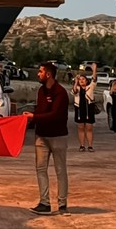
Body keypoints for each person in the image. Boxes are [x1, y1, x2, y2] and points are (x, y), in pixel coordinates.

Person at [22, 61, 69, 216]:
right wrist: (30, 116)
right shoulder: (41, 91)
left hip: (58, 137)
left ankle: (62, 204)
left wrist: (34, 117)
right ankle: (44, 202)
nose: (38, 74)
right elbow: (41, 110)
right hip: (41, 136)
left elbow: (55, 115)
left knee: (60, 170)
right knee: (40, 169)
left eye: (40, 71)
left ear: (48, 74)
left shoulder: (60, 93)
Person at [72, 63, 97, 152]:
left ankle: (90, 146)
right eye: (80, 80)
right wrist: (75, 81)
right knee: (81, 127)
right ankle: (82, 145)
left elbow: (94, 79)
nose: (81, 81)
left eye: (83, 79)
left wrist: (94, 70)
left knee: (89, 128)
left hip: (89, 108)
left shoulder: (90, 87)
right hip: (79, 109)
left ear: (87, 81)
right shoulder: (77, 88)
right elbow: (74, 92)